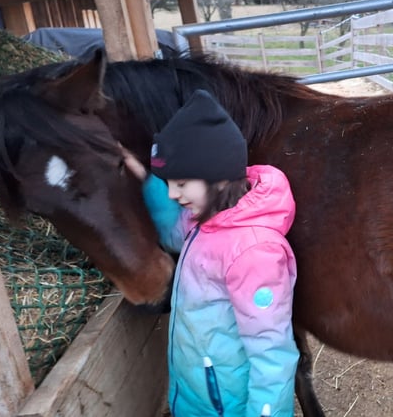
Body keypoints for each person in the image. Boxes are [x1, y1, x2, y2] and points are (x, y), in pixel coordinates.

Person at [122, 89, 299, 417]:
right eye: (169, 183)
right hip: (195, 394)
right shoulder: (204, 221)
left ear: (217, 179)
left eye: (182, 183)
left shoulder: (254, 254)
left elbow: (272, 354)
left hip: (227, 406)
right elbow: (175, 233)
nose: (173, 194)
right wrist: (145, 180)